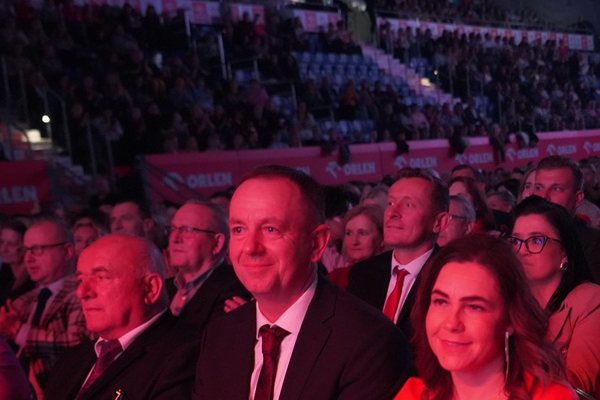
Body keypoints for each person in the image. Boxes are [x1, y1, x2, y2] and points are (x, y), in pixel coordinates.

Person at [194, 165, 413, 400]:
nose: (250, 247)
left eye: (270, 229)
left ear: (316, 243)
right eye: (239, 229)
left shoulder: (370, 341)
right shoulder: (219, 335)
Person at [395, 234, 577, 400]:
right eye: (441, 302)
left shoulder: (550, 397)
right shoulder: (414, 394)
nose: (451, 323)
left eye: (475, 307)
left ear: (510, 319)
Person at [44, 235, 200, 400]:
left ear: (150, 288)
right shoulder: (72, 359)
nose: (81, 292)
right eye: (81, 279)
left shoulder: (186, 355)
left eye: (101, 277)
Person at [510, 196, 600, 396]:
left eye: (536, 240)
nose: (522, 250)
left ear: (564, 253)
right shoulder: (508, 301)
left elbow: (580, 388)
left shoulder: (591, 300)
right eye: (516, 241)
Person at [346, 167, 449, 339]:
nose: (392, 213)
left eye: (408, 205)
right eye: (390, 203)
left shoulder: (450, 277)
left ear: (439, 222)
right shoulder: (362, 274)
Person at [0, 220, 91, 399]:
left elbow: (80, 345)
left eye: (37, 249)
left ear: (67, 251)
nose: (28, 258)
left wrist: (19, 332)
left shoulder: (81, 292)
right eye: (27, 250)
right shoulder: (26, 299)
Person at [166, 200, 250, 332]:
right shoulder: (165, 289)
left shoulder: (234, 288)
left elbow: (210, 341)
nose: (174, 238)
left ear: (217, 243)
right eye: (173, 229)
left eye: (187, 230)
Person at [532, 156, 600, 284]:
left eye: (556, 189)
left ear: (578, 198)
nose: (544, 196)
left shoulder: (594, 244)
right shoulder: (518, 240)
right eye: (539, 188)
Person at [327, 204, 386, 289]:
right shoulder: (335, 278)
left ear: (382, 238)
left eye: (362, 233)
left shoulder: (392, 278)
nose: (354, 241)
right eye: (349, 233)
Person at [0, 219, 34, 306]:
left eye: (11, 244)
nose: (3, 249)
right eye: (1, 242)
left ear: (24, 247)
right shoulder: (6, 271)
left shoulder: (32, 281)